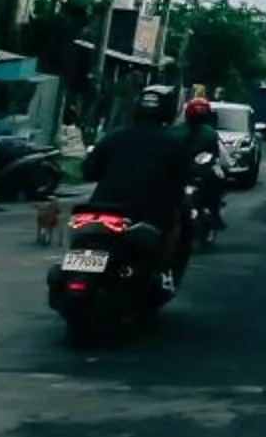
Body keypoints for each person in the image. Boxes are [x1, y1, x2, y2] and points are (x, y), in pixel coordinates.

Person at [81, 86, 193, 291]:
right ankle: (165, 274)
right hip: (147, 216)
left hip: (101, 211)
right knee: (182, 220)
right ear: (168, 112)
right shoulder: (174, 143)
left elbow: (88, 172)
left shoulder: (113, 136)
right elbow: (180, 182)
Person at [178, 97, 226, 241]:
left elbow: (214, 155)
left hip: (197, 171)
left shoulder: (208, 132)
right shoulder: (208, 132)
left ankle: (214, 213)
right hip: (185, 170)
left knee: (218, 180)